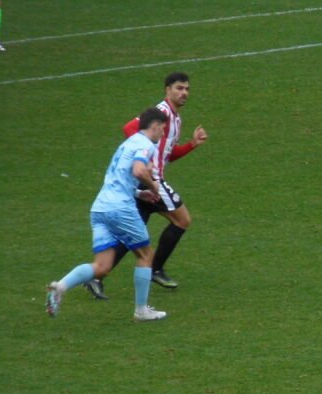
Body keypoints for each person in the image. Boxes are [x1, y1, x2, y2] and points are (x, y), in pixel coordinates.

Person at [85, 72, 208, 299]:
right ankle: (155, 269)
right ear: (167, 90)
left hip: (144, 184)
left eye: (187, 89)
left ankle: (96, 277)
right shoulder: (161, 112)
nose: (184, 93)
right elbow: (129, 128)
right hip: (151, 181)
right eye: (179, 88)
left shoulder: (175, 119)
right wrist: (143, 155)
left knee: (132, 234)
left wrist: (192, 144)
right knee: (182, 220)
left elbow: (169, 154)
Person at [45, 108, 169, 321]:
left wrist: (139, 193)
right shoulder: (146, 145)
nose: (163, 133)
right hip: (120, 208)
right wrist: (153, 186)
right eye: (163, 129)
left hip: (100, 208)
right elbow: (139, 171)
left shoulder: (127, 144)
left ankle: (60, 287)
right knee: (146, 255)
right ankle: (141, 311)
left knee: (102, 267)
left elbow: (117, 178)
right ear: (155, 125)